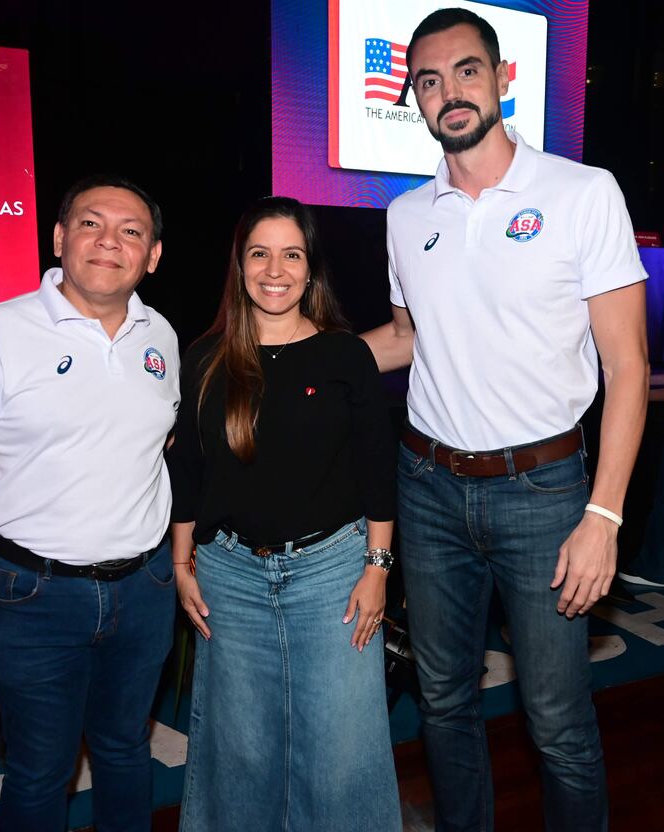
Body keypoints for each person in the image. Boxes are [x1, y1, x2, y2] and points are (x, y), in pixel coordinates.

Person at [362, 8, 649, 832]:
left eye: (466, 71)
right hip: (428, 489)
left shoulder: (582, 192)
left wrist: (604, 516)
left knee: (557, 721)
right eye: (428, 80)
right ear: (414, 98)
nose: (449, 92)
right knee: (444, 702)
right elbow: (407, 338)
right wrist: (295, 364)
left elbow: (627, 367)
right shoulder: (406, 215)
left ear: (503, 78)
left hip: (545, 495)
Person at [0, 175, 179, 832]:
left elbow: (159, 445)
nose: (109, 241)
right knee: (39, 770)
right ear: (59, 238)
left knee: (125, 750)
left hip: (144, 591)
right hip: (32, 597)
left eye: (131, 231)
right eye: (91, 223)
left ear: (152, 256)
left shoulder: (162, 336)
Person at [168, 196, 402, 832]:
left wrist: (378, 568)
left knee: (341, 752)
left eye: (291, 254)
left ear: (311, 268)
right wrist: (182, 565)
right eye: (260, 254)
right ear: (240, 266)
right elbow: (188, 469)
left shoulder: (344, 354)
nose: (275, 270)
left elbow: (377, 469)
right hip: (229, 577)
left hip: (333, 574)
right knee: (240, 752)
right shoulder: (206, 358)